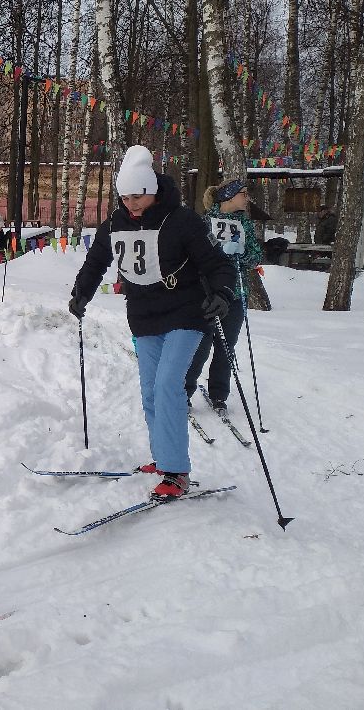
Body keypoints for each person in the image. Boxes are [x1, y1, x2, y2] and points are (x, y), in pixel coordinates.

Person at [68, 145, 234, 499]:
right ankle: (163, 458)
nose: (132, 204)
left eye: (138, 196)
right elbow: (96, 261)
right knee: (149, 391)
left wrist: (221, 293)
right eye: (125, 197)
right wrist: (82, 293)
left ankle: (176, 472)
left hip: (186, 311)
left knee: (168, 385)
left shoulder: (182, 220)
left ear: (153, 189)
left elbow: (217, 263)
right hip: (143, 315)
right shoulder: (114, 224)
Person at [185, 179, 263, 412]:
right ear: (229, 196)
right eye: (243, 194)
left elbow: (255, 256)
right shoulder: (205, 222)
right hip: (207, 293)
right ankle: (184, 390)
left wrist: (240, 254)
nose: (247, 198)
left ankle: (219, 394)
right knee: (201, 345)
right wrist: (218, 255)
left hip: (236, 294)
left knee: (226, 347)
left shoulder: (245, 224)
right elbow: (193, 255)